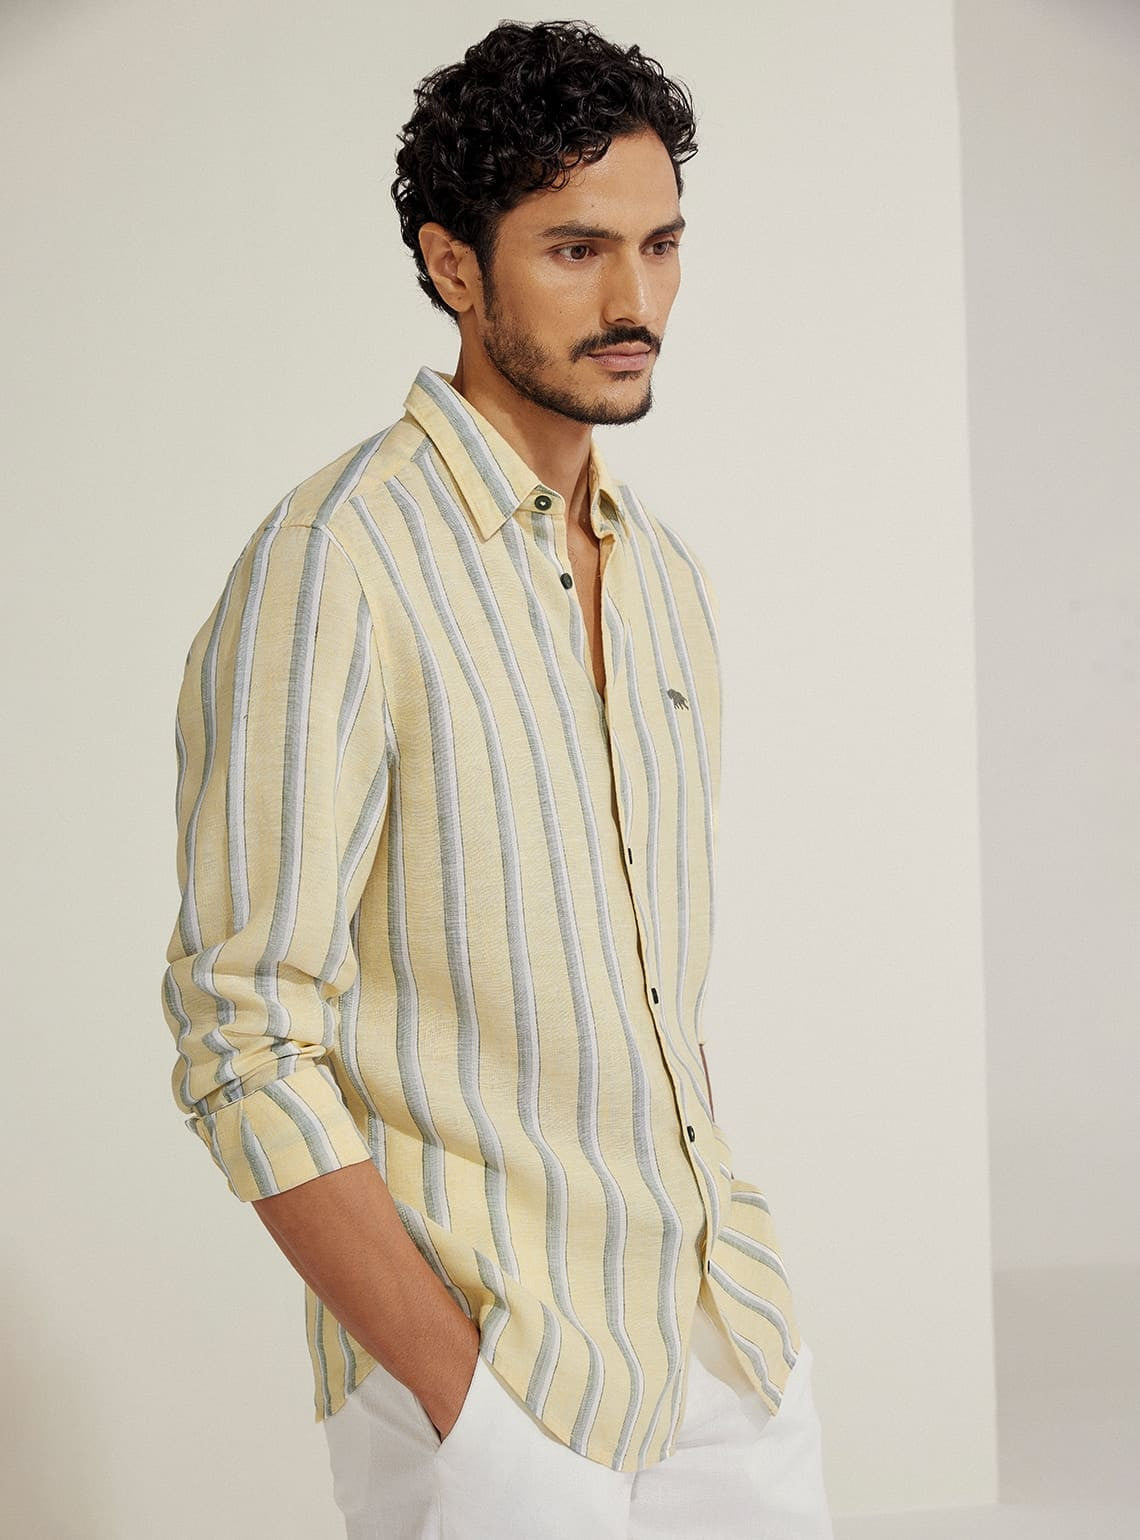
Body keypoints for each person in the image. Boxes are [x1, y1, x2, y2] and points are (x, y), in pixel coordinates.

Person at [160, 17, 835, 1538]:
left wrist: (750, 1311)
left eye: (661, 246)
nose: (634, 302)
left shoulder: (661, 577)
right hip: (500, 1379)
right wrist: (465, 1398)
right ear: (454, 266)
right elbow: (241, 1035)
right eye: (576, 250)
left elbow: (645, 988)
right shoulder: (335, 563)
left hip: (723, 1346)